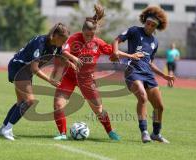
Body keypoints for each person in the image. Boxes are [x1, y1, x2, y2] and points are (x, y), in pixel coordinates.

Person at [52, 4, 142, 141]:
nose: (89, 37)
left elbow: (114, 52)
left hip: (87, 80)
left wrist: (130, 56)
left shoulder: (98, 42)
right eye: (86, 35)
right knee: (58, 104)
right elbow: (64, 51)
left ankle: (111, 132)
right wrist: (74, 58)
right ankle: (62, 134)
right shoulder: (74, 38)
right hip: (69, 77)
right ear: (82, 31)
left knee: (99, 110)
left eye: (92, 35)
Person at [0, 23, 71, 141]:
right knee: (29, 101)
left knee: (21, 102)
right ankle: (7, 129)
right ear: (56, 35)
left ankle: (3, 128)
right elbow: (34, 68)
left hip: (25, 71)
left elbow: (61, 56)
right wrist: (50, 80)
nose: (63, 43)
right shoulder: (40, 42)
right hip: (18, 67)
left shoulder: (55, 45)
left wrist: (71, 63)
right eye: (63, 40)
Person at [113, 6, 175, 143]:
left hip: (147, 73)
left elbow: (150, 63)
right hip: (132, 71)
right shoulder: (134, 31)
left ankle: (156, 134)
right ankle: (144, 132)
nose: (149, 26)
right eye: (148, 23)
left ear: (156, 27)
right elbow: (117, 40)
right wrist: (116, 52)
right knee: (142, 97)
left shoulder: (155, 42)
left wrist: (164, 76)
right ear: (144, 21)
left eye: (153, 25)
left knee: (159, 107)